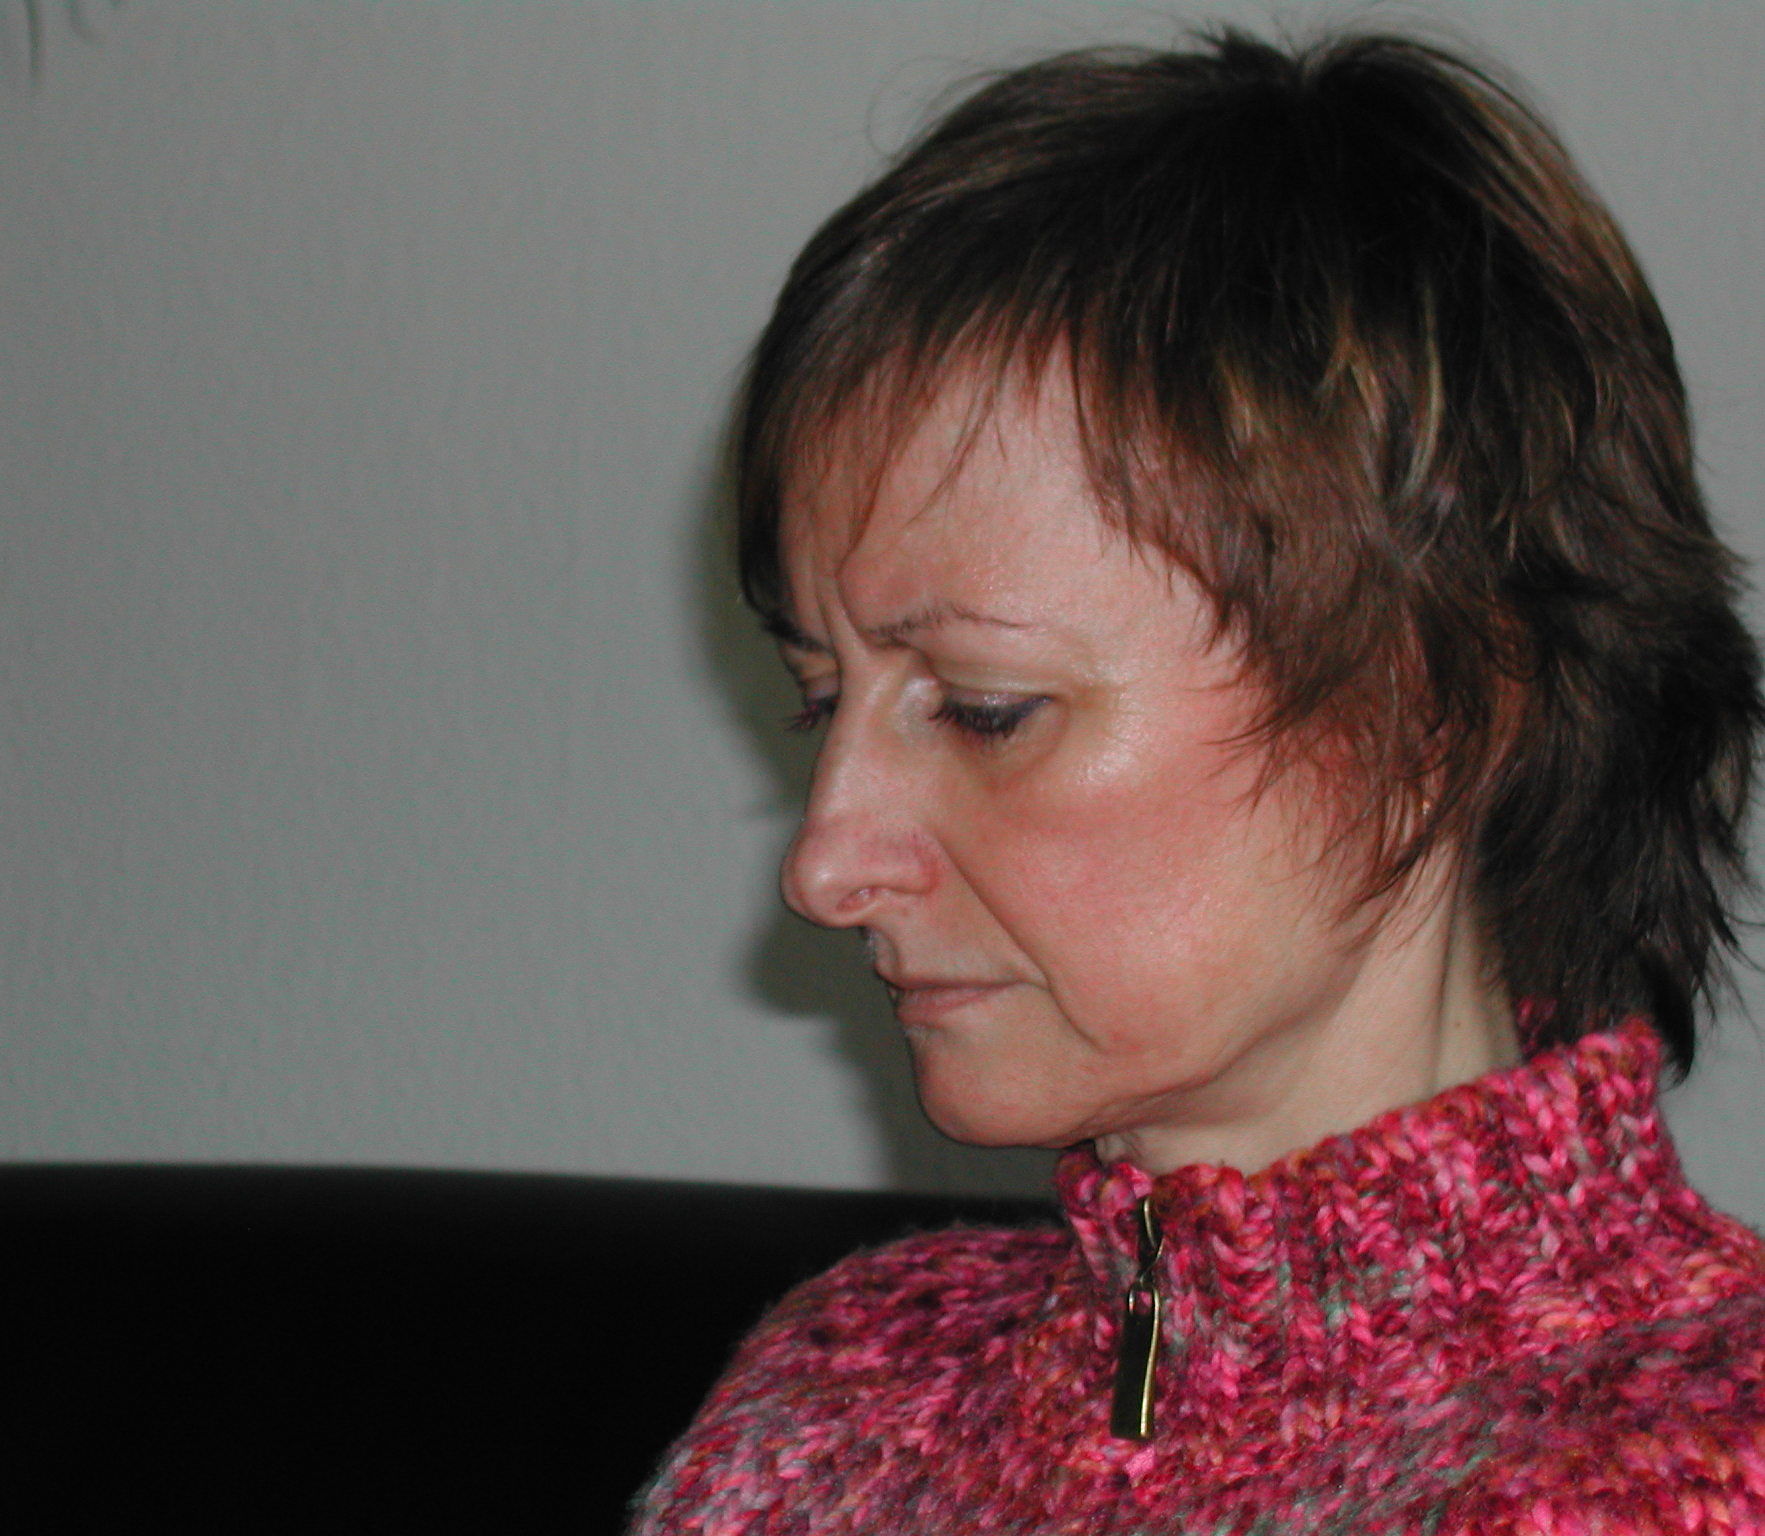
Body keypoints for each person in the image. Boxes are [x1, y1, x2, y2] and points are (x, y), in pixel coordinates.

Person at [633, 24, 1765, 1536]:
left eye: (985, 711)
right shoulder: (839, 1398)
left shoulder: (1689, 1478)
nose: (826, 865)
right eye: (821, 698)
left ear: (1432, 708)